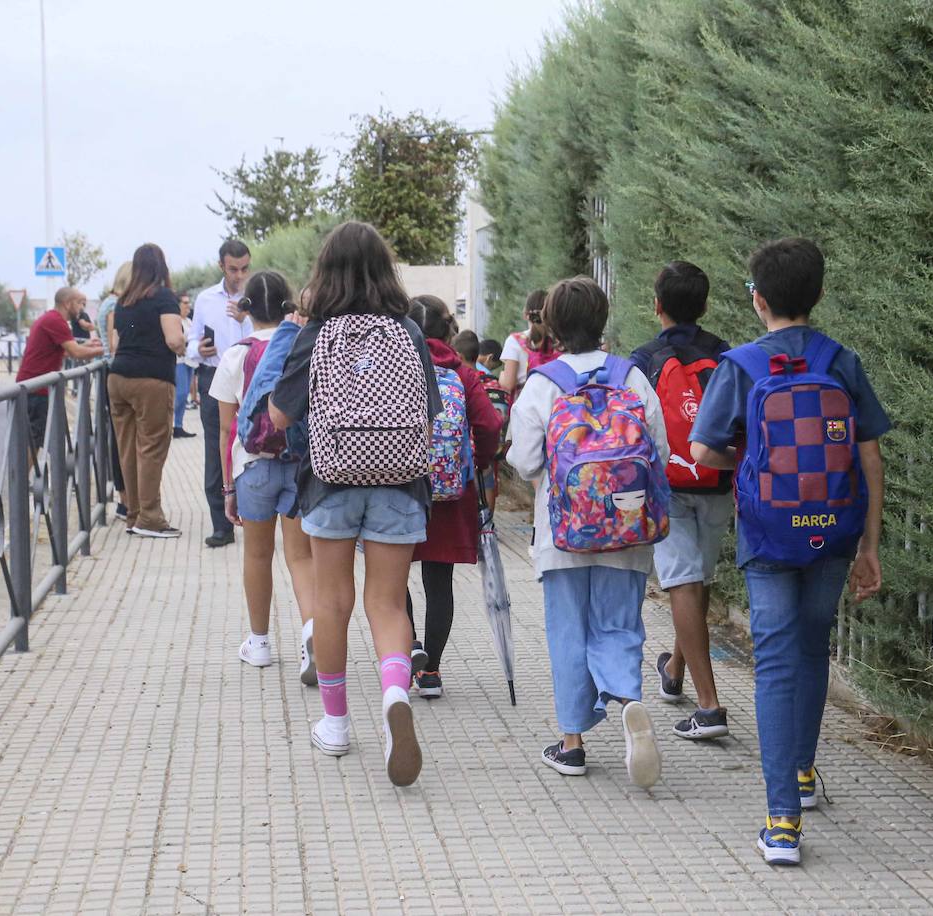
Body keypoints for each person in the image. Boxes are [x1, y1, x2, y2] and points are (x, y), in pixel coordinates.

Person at [689, 238, 889, 865]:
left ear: (758, 300)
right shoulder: (842, 360)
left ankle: (782, 824)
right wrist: (870, 544)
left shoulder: (740, 365)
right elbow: (870, 454)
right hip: (834, 531)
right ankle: (802, 772)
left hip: (770, 533)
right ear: (820, 294)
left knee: (774, 660)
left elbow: (701, 452)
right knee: (811, 645)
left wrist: (749, 461)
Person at [269, 221, 442, 787]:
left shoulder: (315, 333)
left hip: (331, 479)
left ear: (326, 272)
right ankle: (395, 695)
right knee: (388, 604)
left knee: (332, 601)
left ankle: (337, 724)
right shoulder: (409, 331)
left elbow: (279, 415)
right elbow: (431, 411)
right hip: (399, 481)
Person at [507, 276, 668, 788]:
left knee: (567, 632)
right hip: (627, 526)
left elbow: (525, 458)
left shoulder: (543, 382)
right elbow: (657, 452)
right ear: (603, 321)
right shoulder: (632, 376)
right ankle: (628, 701)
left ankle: (572, 743)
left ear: (551, 326)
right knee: (619, 624)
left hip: (563, 532)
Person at [629, 261, 732, 741]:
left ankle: (709, 707)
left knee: (682, 584)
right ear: (705, 306)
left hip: (668, 484)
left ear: (657, 306)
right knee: (698, 579)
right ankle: (674, 669)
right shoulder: (724, 355)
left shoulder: (644, 359)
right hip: (718, 479)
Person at [209, 271, 316, 673]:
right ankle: (311, 634)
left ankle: (259, 644)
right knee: (301, 557)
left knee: (257, 554)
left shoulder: (236, 354)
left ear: (246, 309)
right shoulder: (301, 345)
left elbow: (224, 430)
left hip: (252, 467)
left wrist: (226, 488)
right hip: (298, 463)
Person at [404, 297, 502, 699]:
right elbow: (490, 426)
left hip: (402, 485)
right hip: (451, 491)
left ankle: (408, 646)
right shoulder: (462, 372)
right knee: (438, 580)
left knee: (392, 577)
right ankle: (432, 673)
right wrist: (471, 465)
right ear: (448, 330)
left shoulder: (398, 366)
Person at [108, 243, 187, 538]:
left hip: (118, 378)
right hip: (151, 379)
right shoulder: (164, 297)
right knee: (152, 447)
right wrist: (185, 342)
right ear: (161, 266)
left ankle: (133, 514)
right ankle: (151, 519)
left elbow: (116, 343)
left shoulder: (125, 301)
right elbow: (173, 340)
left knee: (127, 447)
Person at [188, 239, 254, 548]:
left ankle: (257, 518)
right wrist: (197, 349)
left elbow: (268, 334)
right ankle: (221, 526)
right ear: (221, 266)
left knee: (256, 446)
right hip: (214, 376)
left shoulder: (257, 297)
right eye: (233, 269)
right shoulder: (204, 299)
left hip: (251, 376)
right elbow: (192, 342)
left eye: (244, 269)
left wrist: (245, 320)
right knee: (217, 449)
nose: (239, 275)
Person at [16, 287, 105, 459]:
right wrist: (106, 350)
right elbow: (76, 353)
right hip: (37, 388)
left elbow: (62, 350)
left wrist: (89, 346)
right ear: (67, 303)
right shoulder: (56, 321)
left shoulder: (51, 318)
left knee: (40, 437)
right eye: (79, 303)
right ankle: (22, 483)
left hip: (35, 386)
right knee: (35, 439)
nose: (81, 308)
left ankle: (36, 479)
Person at [99, 262, 133, 520]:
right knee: (121, 441)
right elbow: (114, 344)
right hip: (115, 371)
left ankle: (125, 498)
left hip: (109, 372)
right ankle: (124, 501)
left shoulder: (108, 303)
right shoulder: (115, 306)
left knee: (118, 439)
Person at [499, 289, 557, 394]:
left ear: (526, 314)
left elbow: (509, 384)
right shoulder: (559, 342)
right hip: (554, 403)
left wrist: (502, 376)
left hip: (525, 404)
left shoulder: (514, 341)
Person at [173, 292, 198, 439]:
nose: (188, 306)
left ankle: (178, 425)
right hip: (179, 360)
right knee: (181, 394)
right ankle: (172, 422)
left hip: (189, 360)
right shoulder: (176, 321)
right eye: (185, 303)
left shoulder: (189, 321)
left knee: (184, 394)